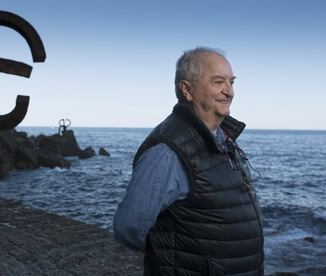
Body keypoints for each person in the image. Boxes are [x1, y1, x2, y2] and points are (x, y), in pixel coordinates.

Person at [113, 47, 264, 275]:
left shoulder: (222, 138)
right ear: (187, 89)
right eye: (218, 82)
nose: (229, 91)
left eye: (231, 82)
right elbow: (129, 227)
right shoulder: (167, 150)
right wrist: (169, 255)